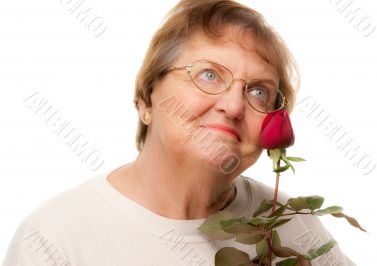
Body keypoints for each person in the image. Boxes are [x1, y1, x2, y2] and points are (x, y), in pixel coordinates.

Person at [2, 0, 355, 265]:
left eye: (258, 91)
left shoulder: (298, 230)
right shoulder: (52, 239)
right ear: (146, 100)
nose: (233, 107)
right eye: (209, 74)